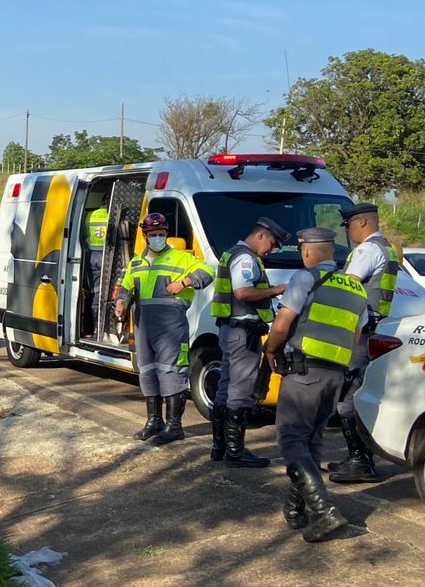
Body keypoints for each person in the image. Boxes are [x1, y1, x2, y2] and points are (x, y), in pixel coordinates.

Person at [264, 227, 366, 543]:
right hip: (336, 375)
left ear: (307, 250)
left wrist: (270, 349)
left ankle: (324, 513)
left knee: (292, 441)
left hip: (304, 371)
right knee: (311, 443)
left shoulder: (306, 278)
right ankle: (296, 509)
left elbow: (282, 324)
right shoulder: (356, 287)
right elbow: (356, 336)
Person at [113, 212, 214, 446]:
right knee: (147, 371)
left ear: (166, 234)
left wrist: (184, 282)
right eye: (153, 234)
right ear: (145, 236)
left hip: (171, 325)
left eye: (161, 234)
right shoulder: (136, 262)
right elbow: (126, 287)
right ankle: (154, 421)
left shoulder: (181, 258)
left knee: (171, 371)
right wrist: (121, 301)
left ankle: (174, 426)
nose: (157, 237)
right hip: (143, 324)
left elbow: (209, 271)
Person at [211, 217, 291, 468]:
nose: (273, 249)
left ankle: (221, 447)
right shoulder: (245, 258)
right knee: (240, 390)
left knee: (226, 387)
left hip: (231, 330)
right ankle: (235, 451)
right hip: (242, 332)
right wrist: (276, 290)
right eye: (272, 243)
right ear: (260, 235)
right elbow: (243, 292)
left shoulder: (232, 253)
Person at [330, 203, 399, 483]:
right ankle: (358, 458)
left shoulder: (366, 250)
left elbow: (348, 288)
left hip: (358, 331)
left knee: (348, 396)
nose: (347, 231)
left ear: (361, 222)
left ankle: (360, 461)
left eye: (348, 226)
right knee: (357, 392)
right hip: (374, 326)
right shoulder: (388, 248)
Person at [83, 203, 109, 335]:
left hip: (91, 255)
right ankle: (102, 327)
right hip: (106, 255)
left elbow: (85, 233)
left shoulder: (90, 215)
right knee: (107, 290)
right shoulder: (111, 216)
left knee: (94, 291)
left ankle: (94, 326)